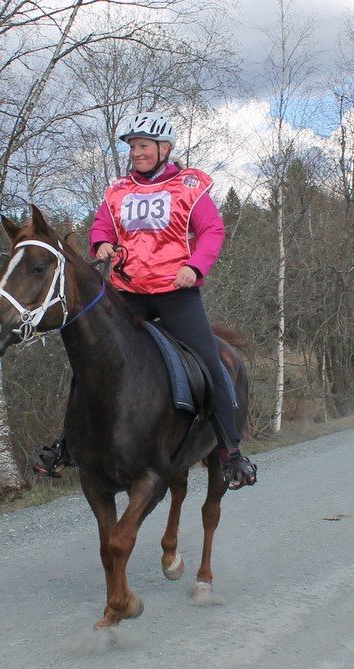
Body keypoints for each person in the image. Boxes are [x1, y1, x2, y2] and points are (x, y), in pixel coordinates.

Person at [37, 112, 256, 489]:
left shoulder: (189, 186)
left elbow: (212, 230)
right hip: (129, 292)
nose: (136, 152)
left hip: (176, 293)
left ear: (164, 148)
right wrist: (101, 243)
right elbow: (102, 226)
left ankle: (230, 452)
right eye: (132, 146)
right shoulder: (118, 190)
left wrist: (195, 267)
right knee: (94, 358)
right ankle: (67, 444)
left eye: (143, 146)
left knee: (210, 363)